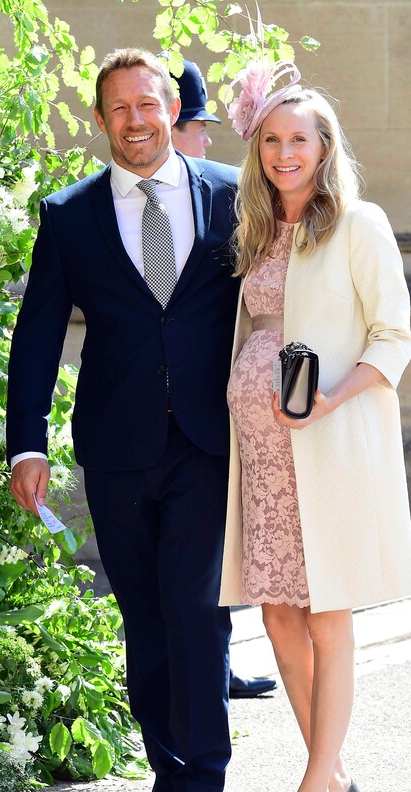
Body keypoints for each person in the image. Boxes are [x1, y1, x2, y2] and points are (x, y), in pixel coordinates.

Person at [7, 47, 240, 792]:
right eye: (120, 109)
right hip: (116, 445)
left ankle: (203, 788)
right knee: (142, 617)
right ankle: (167, 781)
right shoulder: (68, 215)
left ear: (173, 109)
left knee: (196, 611)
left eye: (149, 104)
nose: (136, 121)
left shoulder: (232, 197)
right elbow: (35, 337)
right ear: (102, 119)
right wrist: (24, 444)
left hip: (210, 443)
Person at [219, 62, 411, 792]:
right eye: (271, 139)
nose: (283, 152)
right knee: (276, 618)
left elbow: (394, 336)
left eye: (298, 138)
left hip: (323, 449)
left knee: (326, 619)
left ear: (324, 145)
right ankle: (333, 777)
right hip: (262, 460)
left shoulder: (359, 224)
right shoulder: (258, 228)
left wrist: (329, 400)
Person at [170, 57, 277, 701]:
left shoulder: (227, 199)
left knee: (217, 549)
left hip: (227, 407)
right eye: (197, 126)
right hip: (158, 413)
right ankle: (202, 674)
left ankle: (219, 667)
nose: (207, 141)